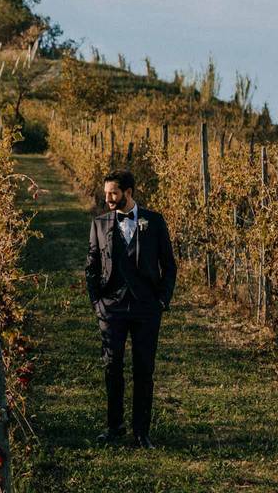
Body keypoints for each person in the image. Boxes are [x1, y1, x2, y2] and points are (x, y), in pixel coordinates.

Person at [85, 169, 177, 449]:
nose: (108, 198)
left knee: (143, 369)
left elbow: (169, 265)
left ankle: (141, 431)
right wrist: (96, 301)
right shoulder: (100, 223)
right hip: (111, 308)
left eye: (113, 193)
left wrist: (162, 300)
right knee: (112, 366)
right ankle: (115, 426)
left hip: (146, 308)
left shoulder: (155, 222)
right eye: (106, 193)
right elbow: (91, 264)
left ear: (128, 192)